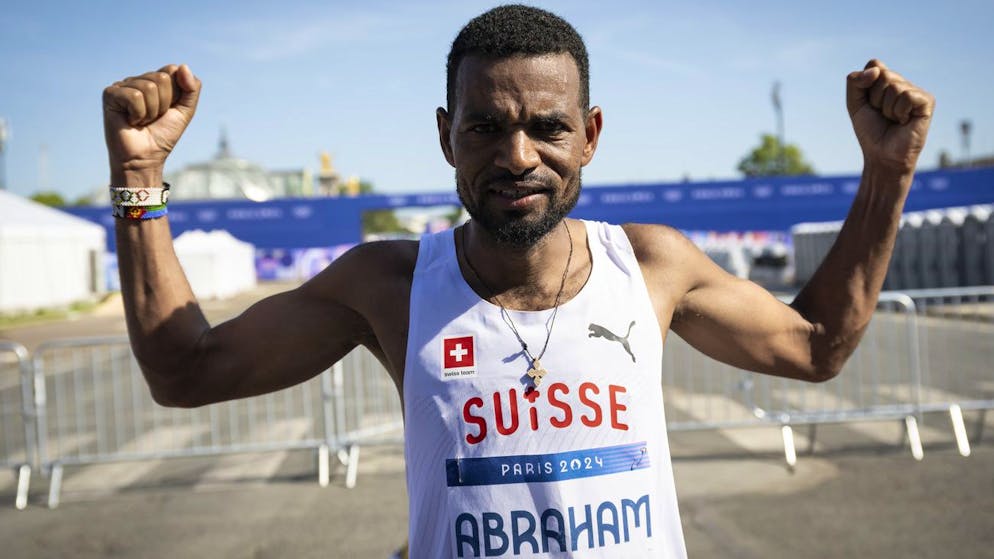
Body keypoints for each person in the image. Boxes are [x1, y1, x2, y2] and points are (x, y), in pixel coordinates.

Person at [102, 5, 933, 557]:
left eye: (547, 127)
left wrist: (888, 175)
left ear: (591, 134)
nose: (518, 155)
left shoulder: (649, 266)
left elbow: (817, 347)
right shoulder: (390, 283)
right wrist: (140, 175)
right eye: (486, 127)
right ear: (446, 137)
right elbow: (185, 371)